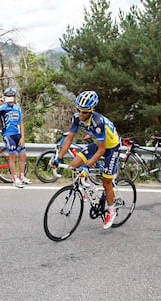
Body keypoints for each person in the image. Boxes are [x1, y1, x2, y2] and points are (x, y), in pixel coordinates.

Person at [51, 90, 120, 229]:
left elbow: (102, 150)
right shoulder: (77, 118)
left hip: (111, 147)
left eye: (84, 112)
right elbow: (69, 139)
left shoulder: (98, 122)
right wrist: (58, 158)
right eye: (78, 110)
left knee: (107, 181)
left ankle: (111, 211)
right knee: (74, 165)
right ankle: (90, 187)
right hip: (98, 144)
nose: (80, 114)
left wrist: (87, 167)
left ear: (91, 110)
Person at [0, 87, 32, 188]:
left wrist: (23, 137)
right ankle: (14, 178)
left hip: (18, 135)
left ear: (15, 97)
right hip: (8, 135)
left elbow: (21, 123)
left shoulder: (17, 108)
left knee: (23, 156)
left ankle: (22, 176)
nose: (10, 98)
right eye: (8, 96)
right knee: (12, 157)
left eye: (12, 96)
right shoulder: (3, 108)